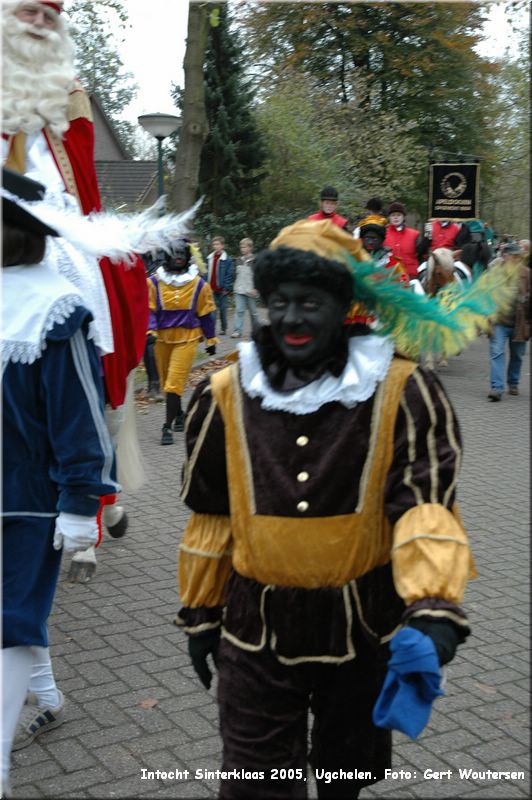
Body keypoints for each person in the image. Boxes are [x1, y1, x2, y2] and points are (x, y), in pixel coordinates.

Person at [175, 218, 514, 799]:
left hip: (363, 629)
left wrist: (432, 607)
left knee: (345, 774)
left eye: (311, 302)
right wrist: (202, 611)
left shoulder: (401, 390)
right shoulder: (226, 392)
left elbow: (424, 507)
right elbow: (213, 515)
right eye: (279, 302)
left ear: (345, 305)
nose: (292, 318)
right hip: (256, 632)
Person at [2, 0, 149, 583]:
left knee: (94, 345)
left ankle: (92, 494)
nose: (39, 22)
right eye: (28, 11)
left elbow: (78, 181)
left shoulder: (69, 90)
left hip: (56, 233)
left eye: (48, 14)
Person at [1, 170, 118, 796]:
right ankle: (44, 696)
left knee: (10, 621)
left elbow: (80, 416)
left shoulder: (55, 310)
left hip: (25, 503)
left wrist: (80, 503)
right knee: (9, 619)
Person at [148, 238, 217, 445]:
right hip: (161, 339)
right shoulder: (153, 283)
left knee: (174, 383)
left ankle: (166, 426)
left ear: (188, 256)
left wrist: (211, 338)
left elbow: (206, 313)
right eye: (174, 253)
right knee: (166, 381)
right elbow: (148, 309)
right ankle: (179, 415)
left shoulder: (199, 284)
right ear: (167, 255)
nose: (178, 257)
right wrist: (149, 330)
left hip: (188, 338)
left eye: (182, 253)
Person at [487, 244, 530, 401]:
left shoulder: (526, 273)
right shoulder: (495, 273)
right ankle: (496, 388)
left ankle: (513, 382)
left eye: (518, 256)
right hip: (499, 321)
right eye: (514, 256)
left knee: (517, 355)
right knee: (497, 352)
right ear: (505, 256)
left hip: (519, 323)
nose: (517, 258)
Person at [383, 201, 423, 279]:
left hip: (411, 276)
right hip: (388, 277)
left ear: (403, 217)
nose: (395, 217)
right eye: (393, 215)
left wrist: (427, 238)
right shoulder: (383, 233)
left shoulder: (415, 234)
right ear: (389, 218)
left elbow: (420, 255)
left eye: (398, 215)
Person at [231, 237, 259, 338]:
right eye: (241, 247)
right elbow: (235, 274)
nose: (242, 249)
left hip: (251, 290)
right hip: (239, 289)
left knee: (253, 312)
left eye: (244, 247)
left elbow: (259, 276)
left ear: (250, 248)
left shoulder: (255, 260)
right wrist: (233, 284)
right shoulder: (238, 260)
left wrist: (256, 288)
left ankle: (257, 330)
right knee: (239, 310)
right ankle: (237, 331)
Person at [207, 235, 233, 335]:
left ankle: (223, 328)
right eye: (214, 244)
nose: (215, 246)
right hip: (211, 289)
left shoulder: (227, 259)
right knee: (212, 311)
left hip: (222, 289)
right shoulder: (209, 258)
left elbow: (229, 274)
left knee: (223, 310)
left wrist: (226, 288)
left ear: (222, 246)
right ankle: (211, 329)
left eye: (217, 244)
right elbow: (206, 272)